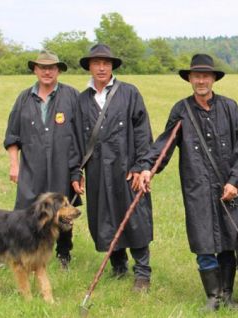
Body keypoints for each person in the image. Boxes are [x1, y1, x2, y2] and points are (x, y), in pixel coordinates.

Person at [136, 54, 238, 311]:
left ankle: (228, 296)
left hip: (228, 190)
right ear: (189, 79)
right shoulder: (181, 110)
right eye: (196, 76)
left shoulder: (230, 108)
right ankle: (213, 298)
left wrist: (234, 181)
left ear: (213, 79)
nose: (201, 80)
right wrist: (147, 168)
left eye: (205, 76)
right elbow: (164, 145)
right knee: (204, 243)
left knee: (229, 243)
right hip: (197, 188)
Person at [76, 44, 154, 292]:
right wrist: (76, 172)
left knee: (135, 217)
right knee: (104, 217)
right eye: (97, 63)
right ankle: (118, 266)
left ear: (112, 67)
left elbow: (142, 132)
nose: (101, 67)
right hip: (97, 169)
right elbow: (76, 139)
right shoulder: (81, 100)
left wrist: (141, 165)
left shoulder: (129, 93)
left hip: (127, 167)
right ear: (89, 65)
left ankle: (142, 273)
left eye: (106, 63)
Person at [3, 50, 82, 270]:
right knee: (23, 211)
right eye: (42, 67)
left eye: (51, 68)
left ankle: (63, 253)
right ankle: (18, 251)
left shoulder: (72, 96)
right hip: (31, 167)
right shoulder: (24, 98)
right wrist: (14, 164)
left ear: (58, 70)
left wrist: (77, 172)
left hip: (62, 167)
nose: (47, 72)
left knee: (63, 213)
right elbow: (12, 136)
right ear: (35, 70)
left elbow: (80, 137)